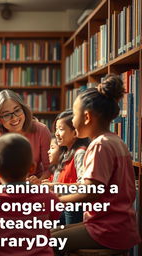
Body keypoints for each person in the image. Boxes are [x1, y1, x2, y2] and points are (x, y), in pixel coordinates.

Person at [51, 74, 141, 253]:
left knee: (45, 241)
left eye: (74, 115)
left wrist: (56, 201)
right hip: (121, 225)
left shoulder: (99, 145)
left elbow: (90, 192)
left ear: (86, 117)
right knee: (52, 233)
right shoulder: (116, 141)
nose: (73, 121)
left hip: (107, 229)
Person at [0, 89, 51, 179]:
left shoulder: (41, 130)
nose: (14, 118)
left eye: (17, 110)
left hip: (36, 185)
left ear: (24, 110)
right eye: (6, 115)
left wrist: (38, 183)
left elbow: (49, 168)